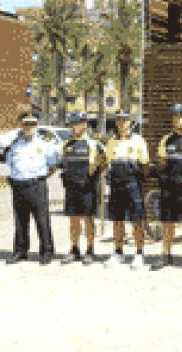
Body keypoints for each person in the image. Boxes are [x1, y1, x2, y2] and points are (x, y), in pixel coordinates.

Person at [150, 104, 182, 271]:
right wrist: (163, 177)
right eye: (174, 116)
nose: (177, 119)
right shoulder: (166, 139)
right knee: (167, 222)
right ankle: (166, 255)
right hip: (169, 188)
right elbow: (162, 163)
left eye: (181, 116)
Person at [5, 110, 59, 265]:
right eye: (26, 124)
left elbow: (53, 165)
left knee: (42, 220)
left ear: (37, 125)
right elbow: (10, 163)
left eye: (32, 124)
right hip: (18, 185)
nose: (29, 127)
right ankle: (20, 251)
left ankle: (47, 251)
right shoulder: (15, 145)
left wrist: (40, 178)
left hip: (37, 185)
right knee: (20, 220)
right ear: (21, 125)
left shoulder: (44, 144)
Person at [103, 111, 150, 270]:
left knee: (137, 220)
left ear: (130, 122)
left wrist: (138, 183)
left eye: (125, 120)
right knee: (117, 220)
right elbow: (108, 163)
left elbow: (145, 165)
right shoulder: (111, 142)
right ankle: (118, 252)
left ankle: (139, 253)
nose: (122, 123)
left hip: (133, 185)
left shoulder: (138, 141)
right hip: (116, 186)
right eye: (119, 120)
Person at [59, 111, 106, 265]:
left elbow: (103, 165)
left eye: (77, 123)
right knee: (73, 220)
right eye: (71, 124)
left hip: (88, 188)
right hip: (71, 188)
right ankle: (74, 249)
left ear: (85, 124)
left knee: (88, 220)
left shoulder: (94, 144)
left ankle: (90, 249)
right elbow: (63, 164)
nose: (74, 127)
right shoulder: (66, 145)